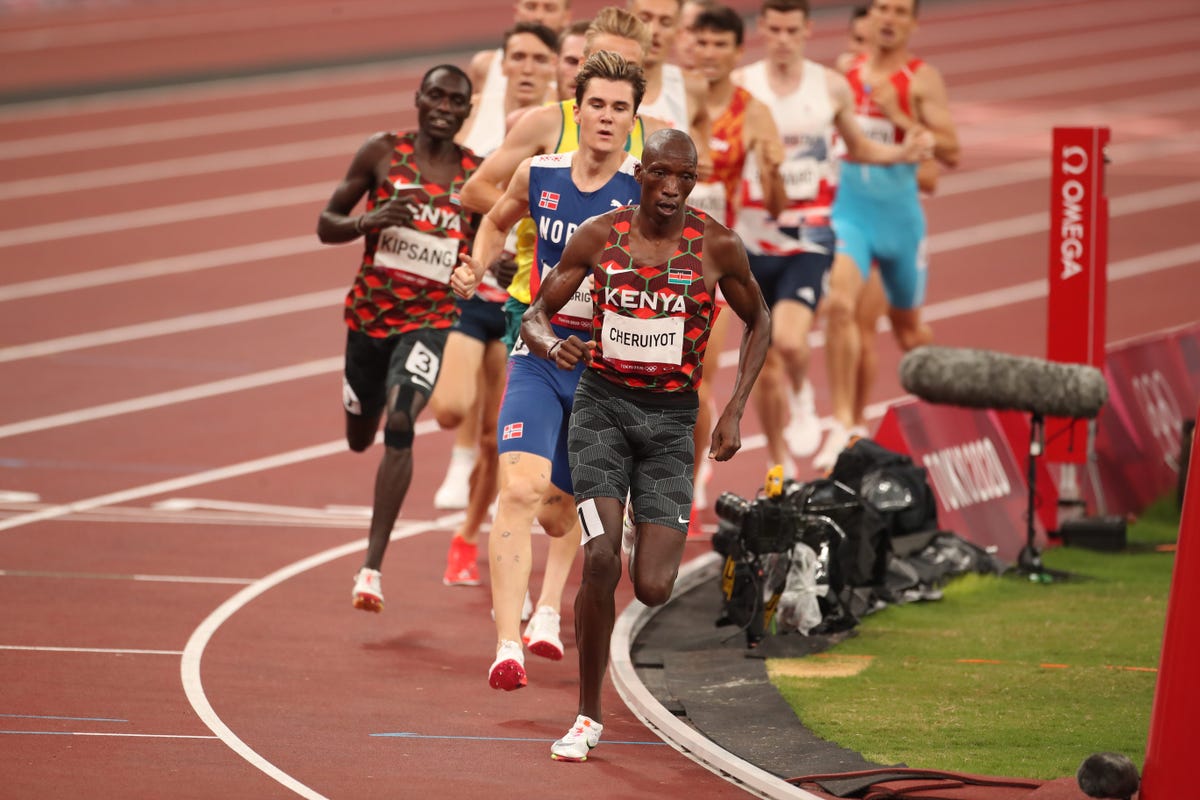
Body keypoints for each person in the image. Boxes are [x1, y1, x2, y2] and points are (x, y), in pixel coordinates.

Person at [515, 128, 770, 762]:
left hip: (669, 424)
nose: (673, 188)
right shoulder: (601, 235)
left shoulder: (716, 246)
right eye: (661, 174)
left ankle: (635, 522)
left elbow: (760, 318)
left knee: (653, 587)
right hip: (601, 408)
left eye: (685, 177)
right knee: (599, 559)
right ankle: (586, 715)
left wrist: (734, 410)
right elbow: (534, 314)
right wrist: (551, 345)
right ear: (640, 175)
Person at [451, 49, 647, 691]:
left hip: (606, 370)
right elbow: (495, 219)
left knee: (563, 515)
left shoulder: (645, 192)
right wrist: (480, 265)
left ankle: (546, 607)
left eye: (621, 108)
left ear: (633, 118)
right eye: (597, 104)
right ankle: (507, 644)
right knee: (517, 492)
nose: (607, 117)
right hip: (539, 351)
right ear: (578, 107)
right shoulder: (541, 174)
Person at [732, 0, 931, 476]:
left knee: (792, 342)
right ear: (762, 29)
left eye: (791, 30)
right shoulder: (743, 86)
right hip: (752, 239)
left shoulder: (830, 87)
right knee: (761, 357)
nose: (782, 38)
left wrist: (901, 152)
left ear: (806, 31)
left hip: (811, 235)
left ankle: (805, 397)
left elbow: (858, 146)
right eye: (774, 29)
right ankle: (779, 460)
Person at [315, 65, 480, 612]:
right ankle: (359, 404)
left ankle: (371, 568)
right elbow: (326, 222)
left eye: (455, 100)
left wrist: (472, 271)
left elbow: (484, 251)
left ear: (466, 109)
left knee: (404, 421)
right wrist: (372, 220)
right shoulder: (382, 153)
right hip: (368, 320)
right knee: (361, 435)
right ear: (418, 98)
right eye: (435, 94)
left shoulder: (475, 178)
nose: (443, 106)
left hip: (428, 322)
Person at [432, 23, 559, 584]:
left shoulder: (559, 123)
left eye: (539, 59)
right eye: (518, 58)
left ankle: (465, 536)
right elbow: (472, 189)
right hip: (472, 280)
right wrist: (500, 238)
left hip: (523, 293)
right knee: (450, 409)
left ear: (555, 67)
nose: (527, 68)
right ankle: (456, 460)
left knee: (494, 438)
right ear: (502, 63)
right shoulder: (479, 112)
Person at [813, 0, 959, 471]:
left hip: (899, 222)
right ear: (869, 18)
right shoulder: (845, 72)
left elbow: (951, 152)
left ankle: (955, 420)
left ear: (913, 23)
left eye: (900, 11)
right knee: (839, 306)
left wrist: (901, 115)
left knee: (910, 331)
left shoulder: (921, 79)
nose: (889, 18)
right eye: (882, 9)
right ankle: (842, 424)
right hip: (849, 215)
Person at [686, 2, 786, 522]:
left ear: (736, 51)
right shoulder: (674, 96)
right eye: (700, 42)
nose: (708, 54)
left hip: (711, 263)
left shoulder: (753, 112)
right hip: (655, 251)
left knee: (698, 376)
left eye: (719, 44)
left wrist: (771, 172)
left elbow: (774, 205)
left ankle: (688, 468)